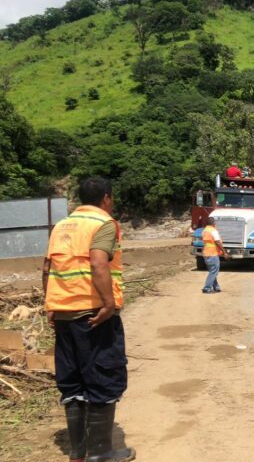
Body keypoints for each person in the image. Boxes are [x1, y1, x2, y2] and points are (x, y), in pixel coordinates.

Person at [42, 177, 135, 462]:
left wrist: (51, 304)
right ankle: (101, 452)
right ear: (106, 198)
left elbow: (47, 268)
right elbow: (98, 262)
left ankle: (78, 452)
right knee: (103, 377)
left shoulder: (61, 226)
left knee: (73, 382)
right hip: (94, 315)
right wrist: (108, 303)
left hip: (64, 315)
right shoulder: (104, 224)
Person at [201, 218, 230, 293]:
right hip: (212, 253)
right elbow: (217, 242)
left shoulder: (205, 230)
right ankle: (207, 288)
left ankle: (216, 287)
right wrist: (224, 252)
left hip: (206, 252)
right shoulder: (213, 231)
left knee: (212, 271)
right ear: (213, 223)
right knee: (214, 271)